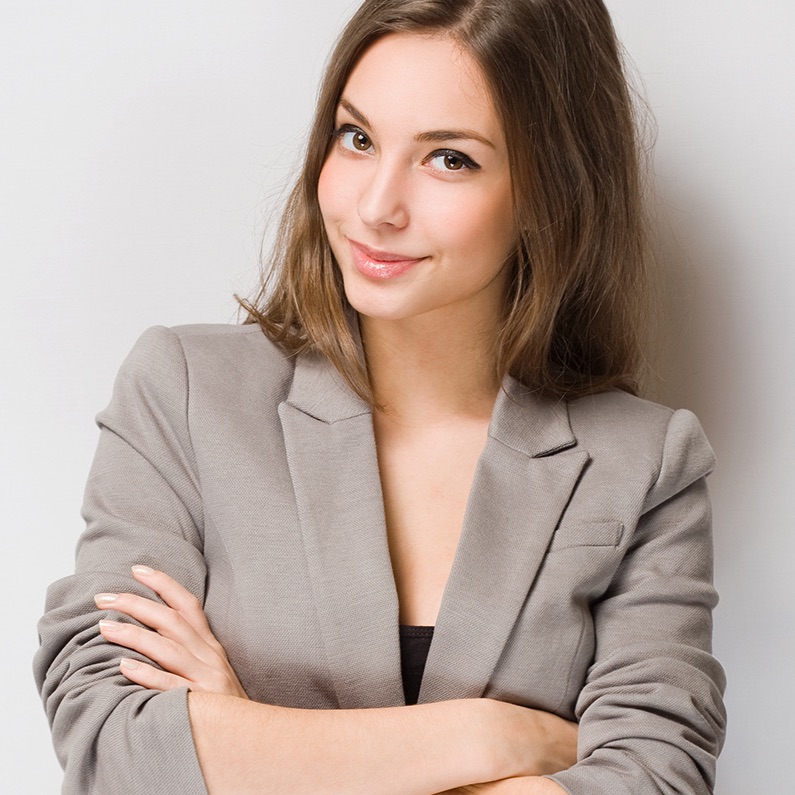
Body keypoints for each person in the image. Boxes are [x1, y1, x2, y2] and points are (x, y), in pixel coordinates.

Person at [34, 1, 727, 793]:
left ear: (550, 191)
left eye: (449, 160)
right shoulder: (185, 392)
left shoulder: (642, 463)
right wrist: (497, 735)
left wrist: (245, 736)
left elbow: (655, 777)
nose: (374, 208)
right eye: (356, 138)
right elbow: (110, 745)